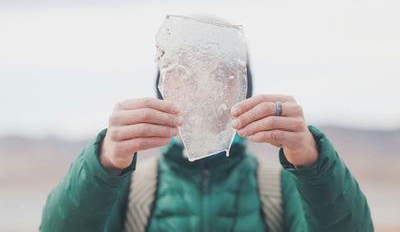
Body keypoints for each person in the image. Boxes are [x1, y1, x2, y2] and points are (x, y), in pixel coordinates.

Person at [40, 18, 373, 232]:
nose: (204, 89)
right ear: (163, 88)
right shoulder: (131, 188)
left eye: (223, 75)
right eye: (184, 75)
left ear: (245, 89)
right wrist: (104, 161)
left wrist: (313, 161)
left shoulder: (277, 189)